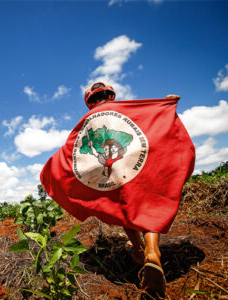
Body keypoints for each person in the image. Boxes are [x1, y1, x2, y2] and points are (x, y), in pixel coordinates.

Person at [84, 82, 181, 299]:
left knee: (125, 206)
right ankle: (152, 251)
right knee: (146, 204)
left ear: (89, 102)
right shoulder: (125, 111)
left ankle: (137, 248)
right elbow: (151, 125)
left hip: (114, 173)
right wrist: (164, 108)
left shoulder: (89, 123)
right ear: (111, 96)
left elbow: (78, 154)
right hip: (137, 163)